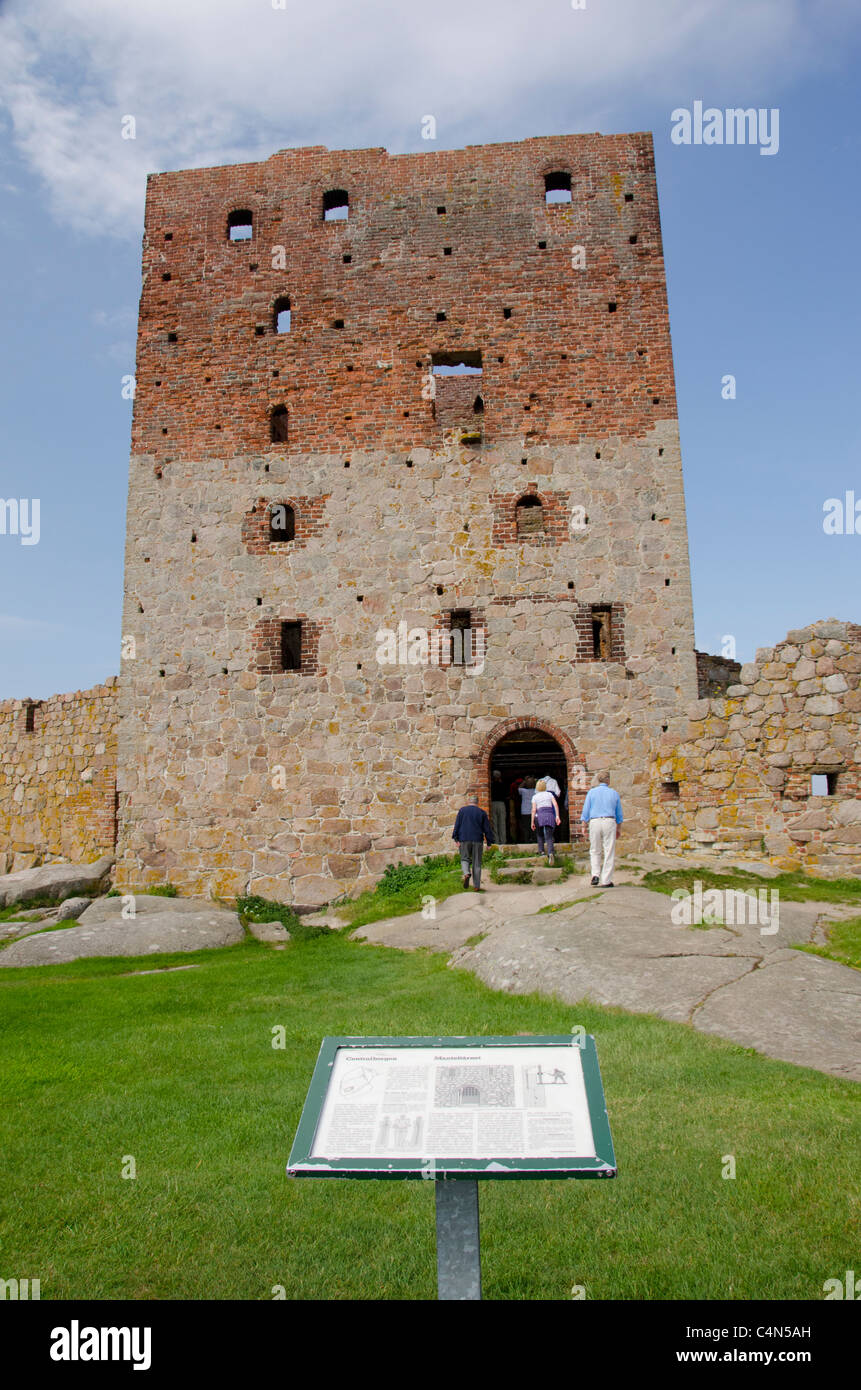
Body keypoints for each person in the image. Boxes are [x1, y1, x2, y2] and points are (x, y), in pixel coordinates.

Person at [580, 771, 623, 887]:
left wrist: (584, 826)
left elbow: (586, 810)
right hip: (609, 821)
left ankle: (595, 875)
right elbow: (619, 814)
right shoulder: (614, 793)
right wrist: (619, 829)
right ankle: (606, 880)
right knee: (609, 850)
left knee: (595, 849)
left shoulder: (591, 793)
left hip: (595, 822)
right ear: (608, 780)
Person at [452, 795, 495, 891]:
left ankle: (466, 873)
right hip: (477, 840)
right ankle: (476, 886)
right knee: (477, 863)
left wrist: (456, 839)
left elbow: (457, 825)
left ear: (469, 801)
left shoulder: (462, 811)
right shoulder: (482, 812)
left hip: (464, 838)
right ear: (477, 802)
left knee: (464, 858)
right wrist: (489, 842)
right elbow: (487, 829)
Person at [530, 778, 561, 864]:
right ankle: (551, 852)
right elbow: (555, 805)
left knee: (539, 834)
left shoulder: (535, 797)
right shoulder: (549, 795)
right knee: (549, 835)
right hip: (549, 815)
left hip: (539, 815)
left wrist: (532, 821)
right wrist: (557, 816)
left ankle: (541, 851)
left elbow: (533, 810)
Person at [490, 769, 507, 845]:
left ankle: (496, 841)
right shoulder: (503, 785)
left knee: (494, 823)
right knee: (502, 823)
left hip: (493, 803)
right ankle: (503, 841)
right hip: (501, 804)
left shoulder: (490, 784)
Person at [518, 776, 536, 843]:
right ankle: (534, 840)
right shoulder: (536, 791)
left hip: (525, 812)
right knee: (534, 827)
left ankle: (527, 841)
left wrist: (524, 781)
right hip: (534, 811)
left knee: (526, 828)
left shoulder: (523, 791)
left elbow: (519, 788)